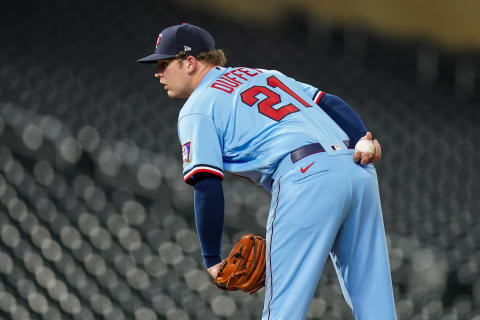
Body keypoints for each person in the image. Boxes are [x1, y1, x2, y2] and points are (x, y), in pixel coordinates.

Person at [138, 23, 396, 320]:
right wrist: (364, 136)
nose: (158, 73)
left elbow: (207, 185)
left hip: (306, 176)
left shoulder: (197, 108)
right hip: (357, 169)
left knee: (283, 309)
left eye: (163, 63)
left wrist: (212, 259)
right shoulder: (263, 74)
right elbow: (328, 102)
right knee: (375, 302)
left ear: (189, 62)